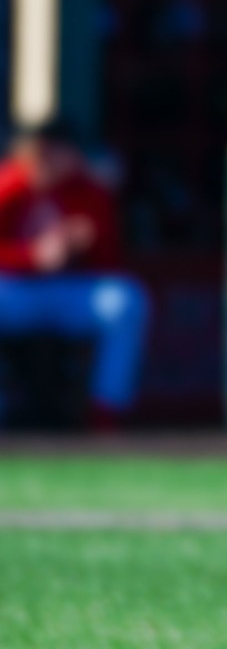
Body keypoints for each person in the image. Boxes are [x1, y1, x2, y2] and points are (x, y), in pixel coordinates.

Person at [0, 120, 150, 428]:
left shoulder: (90, 191)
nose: (47, 160)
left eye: (56, 152)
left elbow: (112, 265)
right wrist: (31, 256)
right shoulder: (8, 185)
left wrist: (84, 245)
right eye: (40, 152)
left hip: (70, 291)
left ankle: (105, 410)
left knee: (126, 301)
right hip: (16, 290)